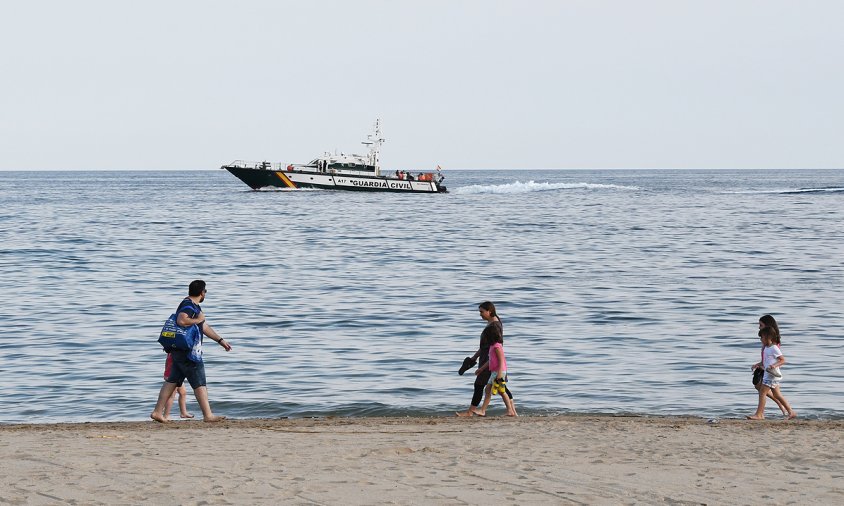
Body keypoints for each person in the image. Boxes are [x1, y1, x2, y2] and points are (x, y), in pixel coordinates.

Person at [150, 280, 232, 423]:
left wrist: (220, 340)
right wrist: (199, 319)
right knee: (199, 382)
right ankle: (208, 415)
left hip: (179, 350)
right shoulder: (188, 305)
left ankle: (157, 412)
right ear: (202, 293)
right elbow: (182, 321)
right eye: (205, 291)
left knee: (172, 381)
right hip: (188, 351)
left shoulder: (193, 306)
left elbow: (204, 327)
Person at [456, 301, 514, 417]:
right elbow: (484, 346)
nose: (480, 314)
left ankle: (471, 412)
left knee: (481, 385)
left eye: (482, 312)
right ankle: (512, 411)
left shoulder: (494, 326)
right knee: (499, 387)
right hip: (488, 359)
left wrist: (484, 365)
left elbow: (497, 346)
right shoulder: (492, 323)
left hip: (490, 361)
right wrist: (474, 357)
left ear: (489, 311)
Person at [747, 326, 796, 420]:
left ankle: (759, 414)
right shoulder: (766, 348)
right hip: (768, 374)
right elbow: (765, 362)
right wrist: (757, 364)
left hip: (771, 375)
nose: (761, 339)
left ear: (768, 337)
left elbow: (782, 360)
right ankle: (791, 412)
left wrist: (774, 365)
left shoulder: (774, 348)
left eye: (762, 337)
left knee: (762, 392)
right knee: (777, 395)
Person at [477, 321, 517, 417]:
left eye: (486, 336)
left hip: (499, 371)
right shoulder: (492, 346)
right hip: (495, 371)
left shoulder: (497, 347)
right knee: (489, 390)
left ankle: (510, 411)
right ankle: (483, 411)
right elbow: (490, 360)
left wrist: (499, 374)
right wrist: (481, 369)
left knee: (501, 391)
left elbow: (501, 361)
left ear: (490, 337)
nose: (485, 339)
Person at [755, 315, 788, 415]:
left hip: (770, 371)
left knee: (763, 391)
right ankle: (786, 409)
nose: (759, 327)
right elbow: (765, 357)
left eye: (761, 325)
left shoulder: (773, 345)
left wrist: (770, 367)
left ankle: (760, 414)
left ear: (767, 326)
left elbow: (778, 359)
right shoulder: (766, 342)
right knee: (761, 388)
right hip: (766, 368)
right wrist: (759, 364)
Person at [162, 353, 193, 420]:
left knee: (183, 393)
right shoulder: (175, 354)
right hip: (173, 376)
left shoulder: (172, 352)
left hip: (173, 375)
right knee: (171, 396)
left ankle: (183, 413)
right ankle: (166, 415)